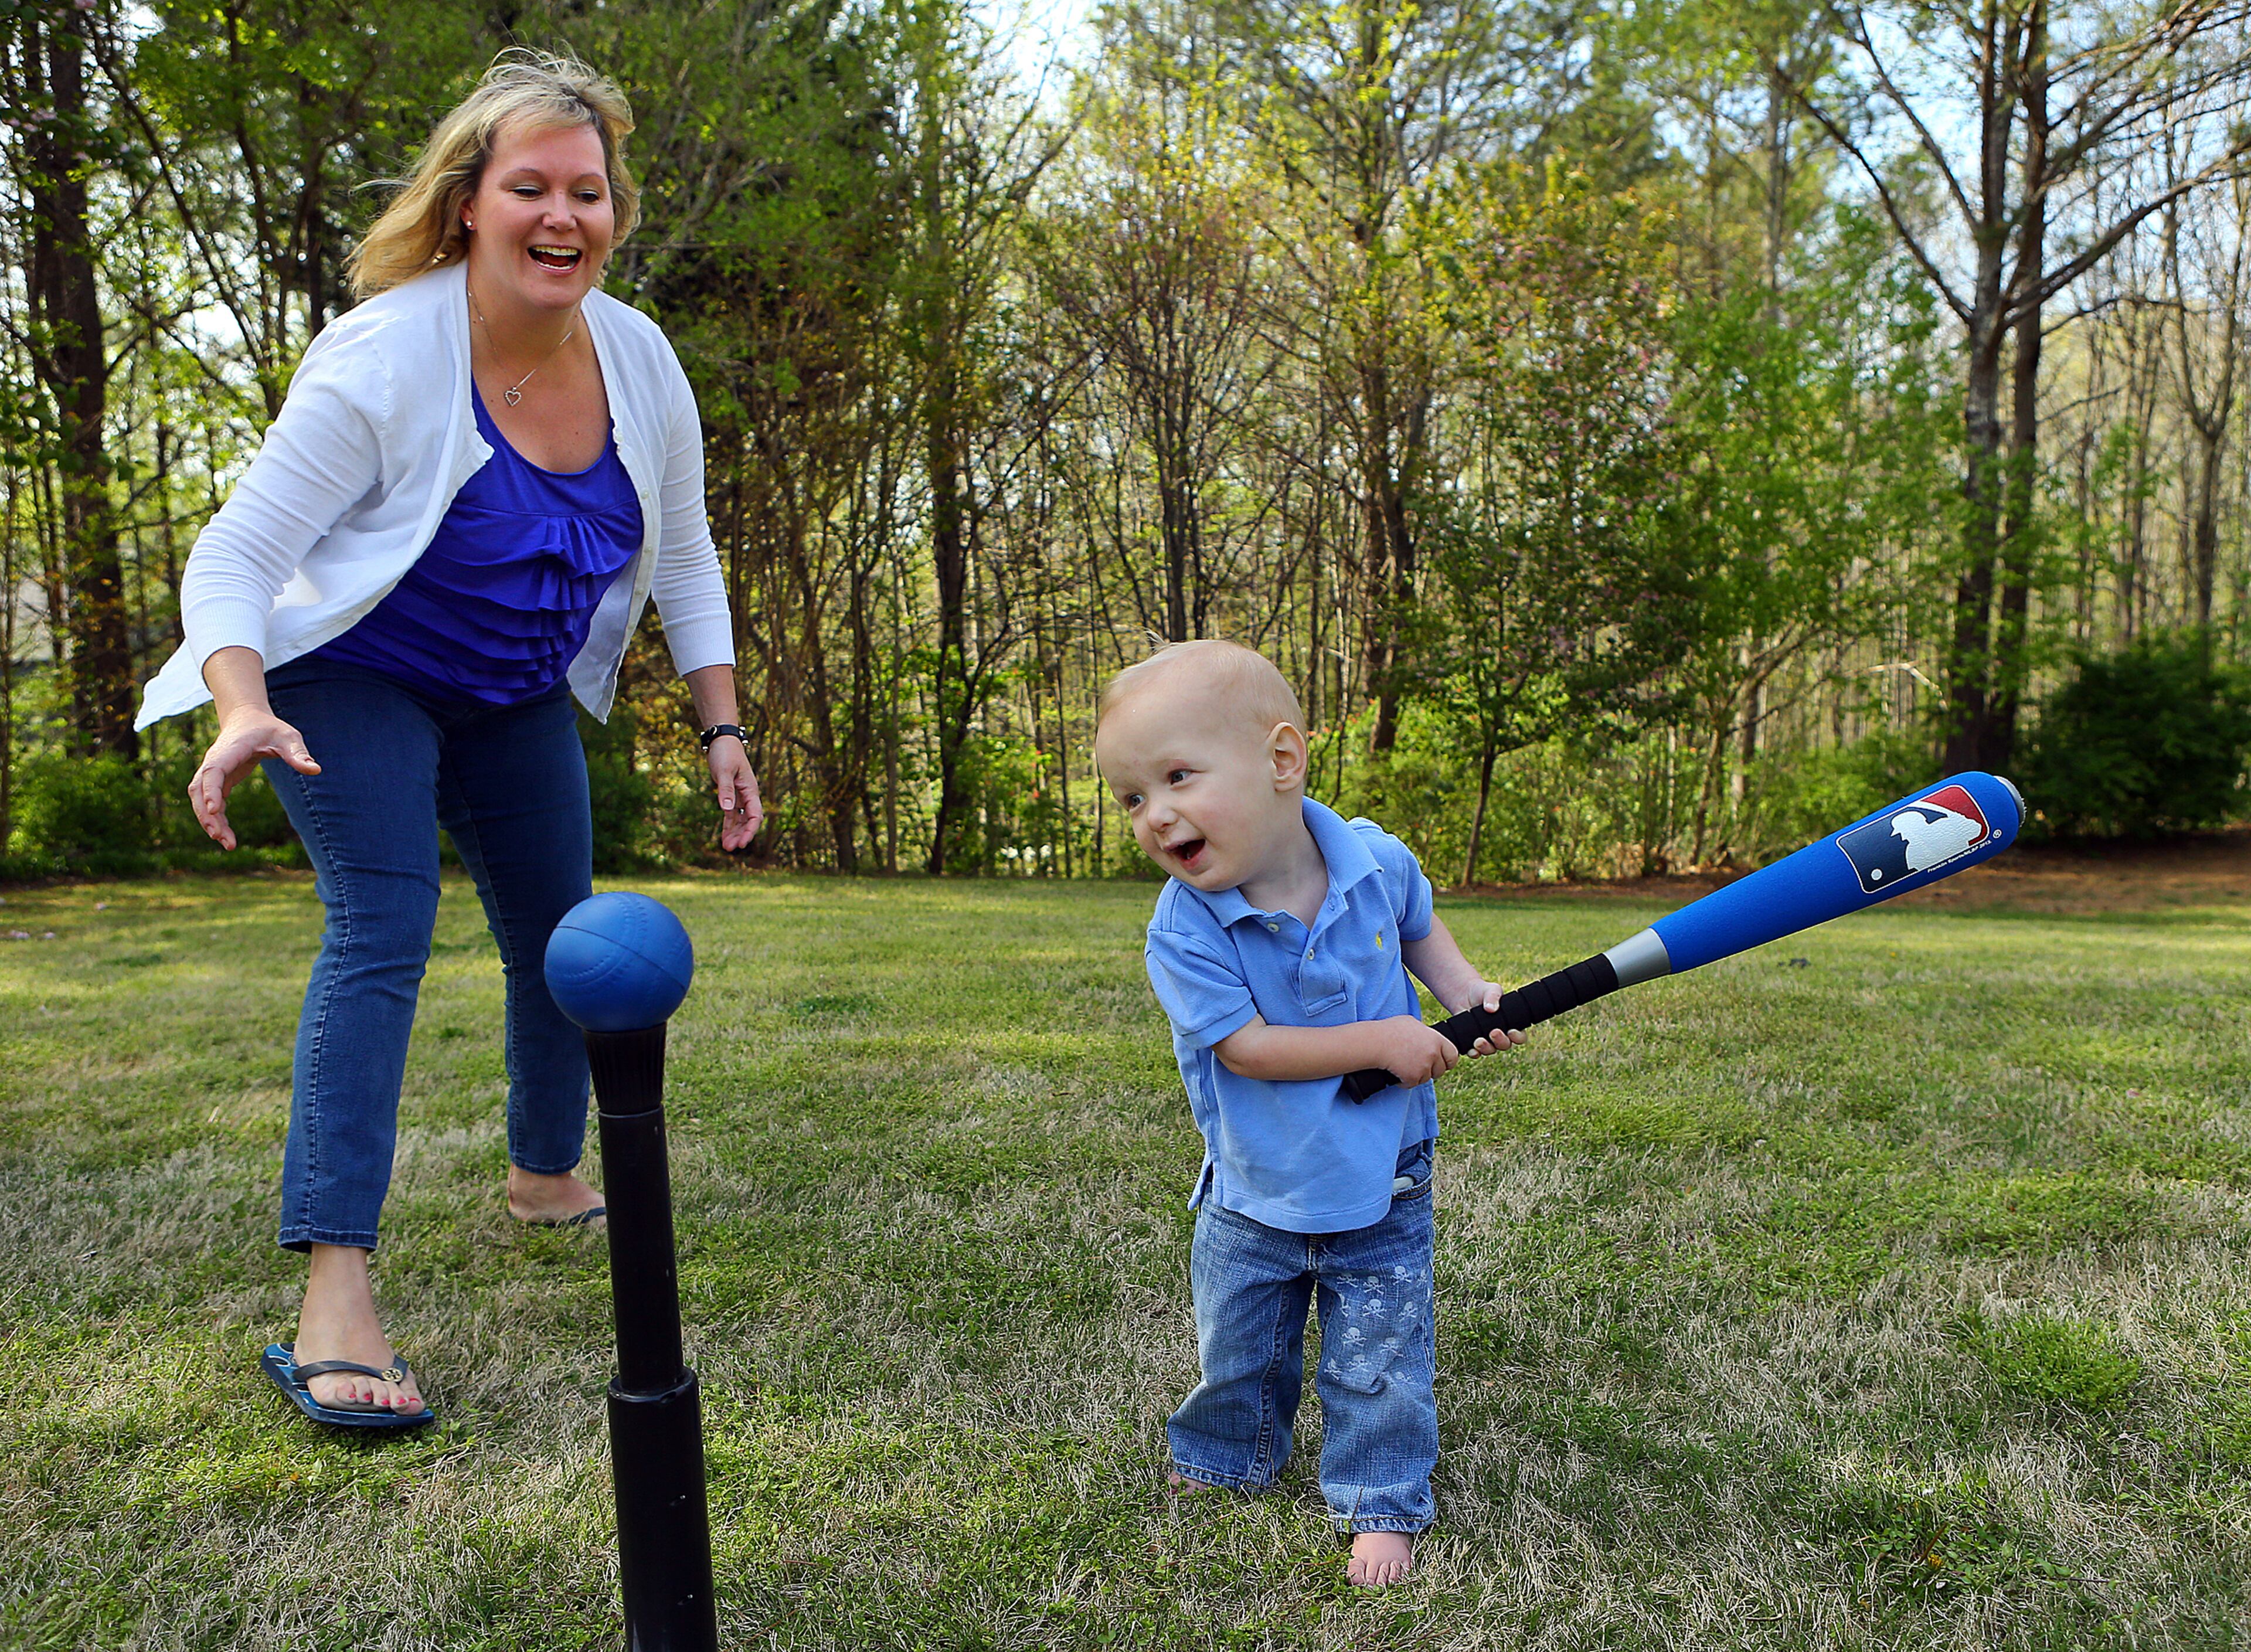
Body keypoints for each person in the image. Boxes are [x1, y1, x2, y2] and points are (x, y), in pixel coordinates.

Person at [132, 51, 761, 1429]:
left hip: (512, 689)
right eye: (528, 186)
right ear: (469, 202)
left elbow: (686, 555)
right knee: (383, 925)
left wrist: (722, 721)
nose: (561, 215)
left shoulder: (640, 357)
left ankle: (544, 1171)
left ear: (614, 211)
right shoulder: (383, 356)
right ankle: (334, 1293)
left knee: (566, 941)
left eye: (586, 192)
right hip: (349, 676)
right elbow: (237, 554)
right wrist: (243, 700)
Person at [1092, 640, 1525, 1588]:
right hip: (1254, 1182)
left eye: (1176, 777)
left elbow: (1420, 934)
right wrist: (1381, 1038)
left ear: (1282, 762)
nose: (1154, 813)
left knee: (1380, 1348)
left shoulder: (1375, 861)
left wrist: (1466, 994)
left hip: (1384, 1180)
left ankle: (1379, 1499)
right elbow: (1247, 1048)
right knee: (1241, 1342)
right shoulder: (1185, 925)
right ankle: (1225, 1455)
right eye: (1131, 797)